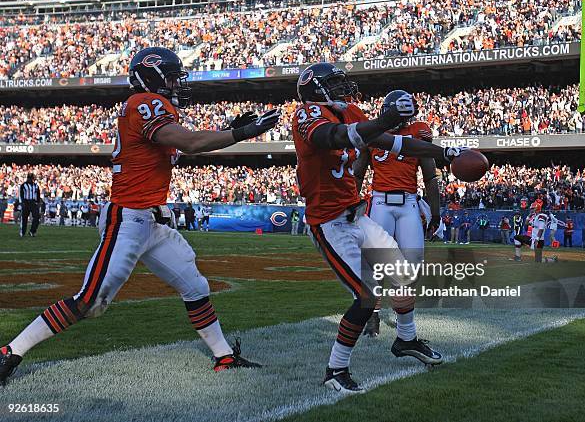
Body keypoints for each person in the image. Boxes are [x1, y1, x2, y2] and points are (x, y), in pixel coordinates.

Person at [0, 47, 281, 386]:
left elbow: (180, 144)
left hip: (152, 221)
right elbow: (189, 144)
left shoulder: (153, 109)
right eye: (173, 76)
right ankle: (10, 352)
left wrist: (226, 130)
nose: (178, 82)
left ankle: (224, 356)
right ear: (153, 76)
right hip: (128, 220)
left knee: (195, 285)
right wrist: (240, 134)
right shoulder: (143, 103)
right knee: (91, 301)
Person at [292, 62, 465, 392]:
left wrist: (444, 152)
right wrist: (384, 119)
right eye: (336, 84)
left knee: (402, 275)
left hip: (357, 215)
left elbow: (397, 144)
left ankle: (406, 340)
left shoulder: (352, 111)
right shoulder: (306, 114)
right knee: (366, 296)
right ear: (317, 90)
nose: (344, 89)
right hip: (329, 223)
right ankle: (335, 370)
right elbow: (333, 137)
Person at [353, 102, 442, 368]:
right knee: (375, 266)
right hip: (379, 202)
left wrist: (435, 213)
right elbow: (358, 172)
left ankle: (405, 334)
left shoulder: (419, 131)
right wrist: (350, 203)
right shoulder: (373, 134)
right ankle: (373, 313)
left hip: (409, 204)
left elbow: (430, 176)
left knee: (410, 269)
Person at [18, 173, 41, 237]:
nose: (31, 180)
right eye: (31, 178)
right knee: (24, 218)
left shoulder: (36, 186)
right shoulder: (23, 185)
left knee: (37, 217)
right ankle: (22, 232)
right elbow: (21, 194)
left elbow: (38, 194)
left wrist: (38, 202)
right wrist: (22, 202)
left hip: (33, 203)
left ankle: (32, 231)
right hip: (26, 202)